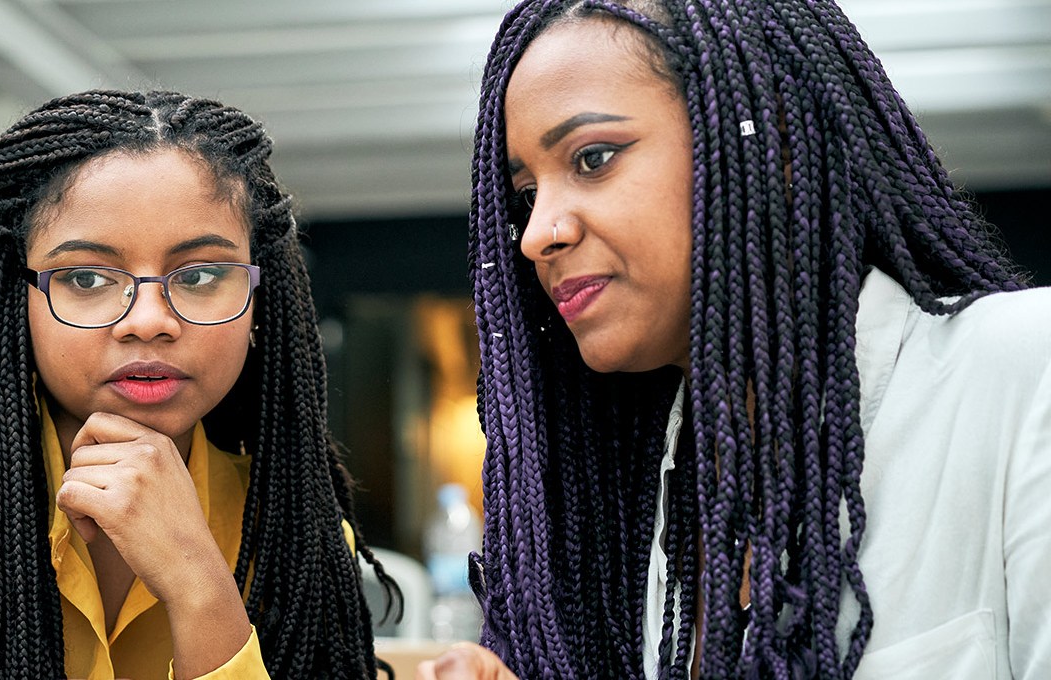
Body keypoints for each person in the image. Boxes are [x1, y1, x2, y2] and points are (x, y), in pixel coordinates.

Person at [421, 0, 1051, 678]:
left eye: (593, 158)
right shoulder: (659, 500)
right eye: (524, 196)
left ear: (769, 137)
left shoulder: (1021, 368)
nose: (540, 232)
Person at [0, 90, 394, 680]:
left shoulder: (292, 529)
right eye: (85, 277)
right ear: (19, 298)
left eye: (202, 275)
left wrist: (201, 589)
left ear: (257, 301)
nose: (148, 320)